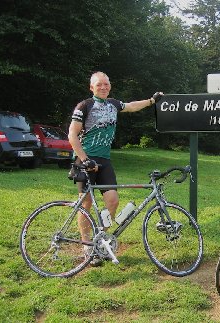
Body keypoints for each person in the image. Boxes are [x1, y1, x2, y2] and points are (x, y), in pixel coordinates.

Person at [68, 71, 163, 265]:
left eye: (106, 84)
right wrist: (85, 159)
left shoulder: (113, 104)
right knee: (85, 203)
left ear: (109, 86)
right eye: (99, 85)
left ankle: (100, 239)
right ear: (91, 87)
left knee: (113, 200)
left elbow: (131, 106)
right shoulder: (84, 106)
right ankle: (87, 246)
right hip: (85, 160)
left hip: (104, 160)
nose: (103, 87)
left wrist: (151, 101)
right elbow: (72, 134)